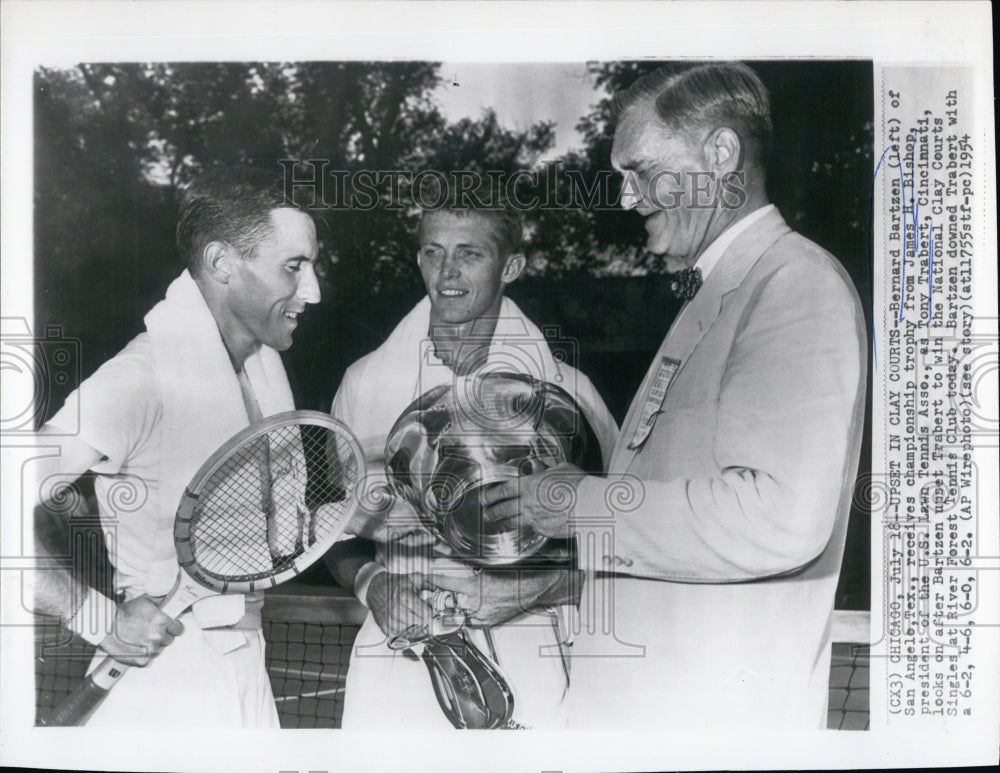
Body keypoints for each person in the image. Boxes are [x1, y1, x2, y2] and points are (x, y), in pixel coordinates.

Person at [484, 62, 868, 729]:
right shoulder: (721, 291)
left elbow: (779, 517)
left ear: (720, 154)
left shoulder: (795, 283)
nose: (628, 197)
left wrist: (577, 502)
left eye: (640, 170)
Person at [30, 167, 321, 727]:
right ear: (220, 264)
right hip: (163, 678)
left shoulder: (259, 371)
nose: (313, 290)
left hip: (245, 665)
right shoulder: (139, 379)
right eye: (293, 266)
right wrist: (95, 618)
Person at [325, 191, 618, 729]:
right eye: (433, 251)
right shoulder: (366, 383)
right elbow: (335, 536)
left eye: (470, 253)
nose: (447, 272)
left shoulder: (570, 394)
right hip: (398, 657)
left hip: (536, 654)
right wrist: (375, 585)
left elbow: (622, 546)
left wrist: (529, 589)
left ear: (512, 266)